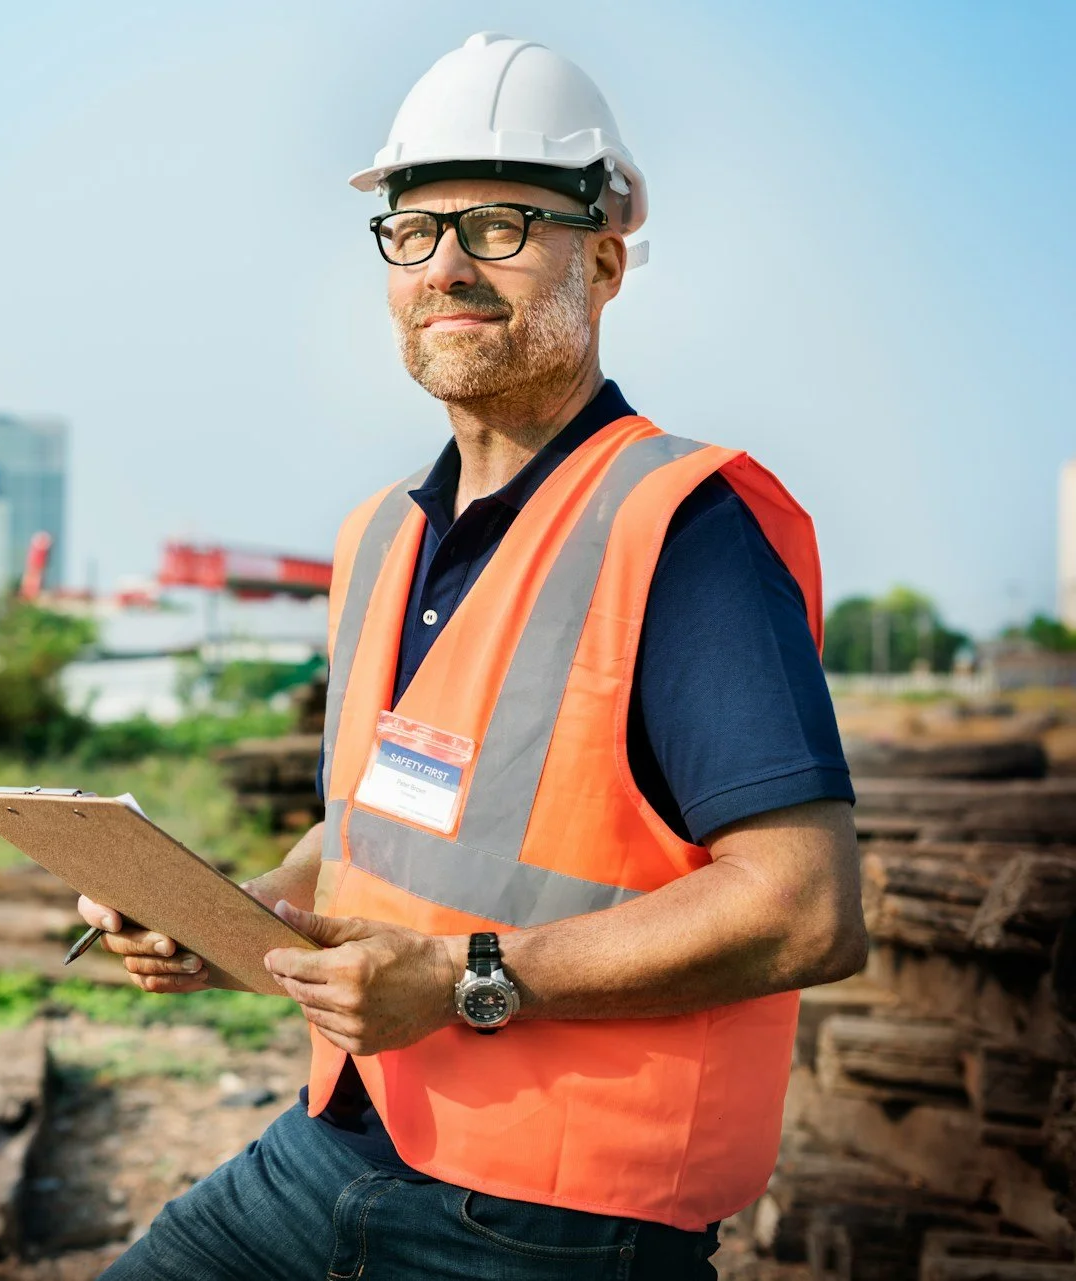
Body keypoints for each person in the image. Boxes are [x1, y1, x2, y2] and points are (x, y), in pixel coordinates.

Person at [84, 31, 865, 1279]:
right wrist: (238, 916)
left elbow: (807, 908)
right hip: (331, 1146)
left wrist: (461, 982)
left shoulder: (685, 527)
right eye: (414, 229)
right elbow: (379, 830)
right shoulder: (382, 537)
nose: (447, 265)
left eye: (501, 224)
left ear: (603, 258)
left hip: (552, 1221)